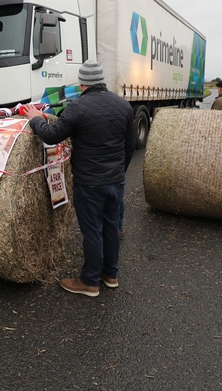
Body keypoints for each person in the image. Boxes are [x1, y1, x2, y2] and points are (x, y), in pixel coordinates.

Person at [23, 59, 136, 297]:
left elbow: (52, 136)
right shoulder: (124, 105)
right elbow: (129, 145)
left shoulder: (77, 108)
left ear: (82, 83)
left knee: (93, 231)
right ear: (101, 80)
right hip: (115, 182)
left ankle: (89, 281)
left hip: (90, 183)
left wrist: (35, 118)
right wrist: (119, 173)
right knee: (111, 227)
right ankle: (110, 274)